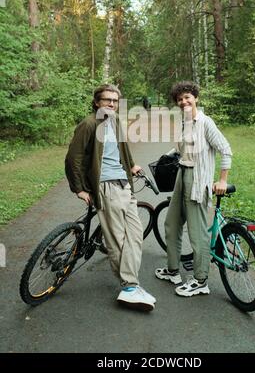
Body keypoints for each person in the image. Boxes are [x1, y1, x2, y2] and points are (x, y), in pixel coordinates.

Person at [65, 84, 156, 311]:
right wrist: (79, 189)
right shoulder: (88, 125)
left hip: (124, 184)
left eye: (115, 101)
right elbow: (72, 159)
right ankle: (129, 287)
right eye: (107, 100)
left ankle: (131, 285)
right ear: (97, 102)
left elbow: (122, 149)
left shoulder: (114, 122)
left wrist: (132, 165)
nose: (112, 104)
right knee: (117, 239)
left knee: (135, 235)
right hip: (106, 186)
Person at [155, 81, 232, 297]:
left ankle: (200, 280)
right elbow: (182, 147)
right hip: (182, 174)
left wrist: (222, 180)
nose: (183, 101)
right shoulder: (185, 121)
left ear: (196, 97)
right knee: (172, 223)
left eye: (187, 97)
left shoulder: (205, 122)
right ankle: (173, 270)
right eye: (179, 99)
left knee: (197, 234)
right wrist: (167, 156)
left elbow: (226, 150)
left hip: (198, 180)